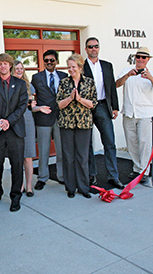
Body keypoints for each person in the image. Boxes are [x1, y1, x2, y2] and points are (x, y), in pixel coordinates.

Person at [116, 47, 153, 183]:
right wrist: (127, 76)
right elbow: (116, 85)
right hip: (129, 113)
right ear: (135, 58)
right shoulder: (126, 71)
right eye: (138, 57)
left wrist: (151, 78)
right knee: (132, 143)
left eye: (144, 57)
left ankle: (144, 170)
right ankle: (137, 169)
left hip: (145, 114)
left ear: (148, 59)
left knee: (145, 143)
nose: (140, 59)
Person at [0, 53, 27, 212]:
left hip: (15, 130)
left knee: (17, 165)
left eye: (5, 63)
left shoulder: (20, 84)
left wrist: (9, 121)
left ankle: (16, 197)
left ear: (10, 65)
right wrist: (0, 121)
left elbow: (22, 106)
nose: (2, 66)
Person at [83, 37, 123, 189]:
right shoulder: (82, 66)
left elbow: (111, 87)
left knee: (109, 142)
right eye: (90, 46)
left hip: (103, 106)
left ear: (99, 48)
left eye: (96, 46)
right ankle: (91, 175)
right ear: (86, 49)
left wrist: (115, 106)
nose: (93, 49)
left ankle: (113, 176)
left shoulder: (107, 66)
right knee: (88, 144)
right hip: (86, 107)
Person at [57, 53, 97, 199]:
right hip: (66, 123)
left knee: (82, 156)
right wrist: (70, 98)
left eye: (73, 67)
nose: (71, 70)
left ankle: (83, 187)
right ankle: (71, 187)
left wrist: (79, 99)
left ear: (80, 67)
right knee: (68, 156)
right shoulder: (63, 83)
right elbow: (59, 105)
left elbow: (93, 104)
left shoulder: (89, 82)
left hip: (84, 123)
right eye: (69, 67)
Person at [12, 60, 51, 197]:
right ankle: (20, 185)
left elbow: (31, 107)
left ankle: (28, 186)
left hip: (27, 121)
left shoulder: (29, 86)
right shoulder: (8, 85)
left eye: (21, 68)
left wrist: (39, 108)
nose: (19, 70)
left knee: (28, 156)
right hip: (14, 122)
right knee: (17, 157)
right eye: (16, 68)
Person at [31, 49, 67, 190]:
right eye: (46, 60)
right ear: (43, 62)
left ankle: (62, 176)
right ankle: (42, 177)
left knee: (61, 149)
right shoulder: (36, 77)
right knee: (44, 150)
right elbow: (32, 96)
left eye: (52, 60)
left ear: (56, 61)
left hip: (61, 117)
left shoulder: (64, 76)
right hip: (43, 118)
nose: (49, 63)